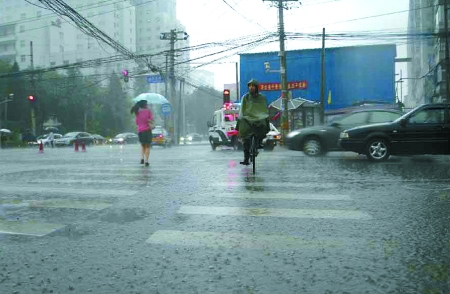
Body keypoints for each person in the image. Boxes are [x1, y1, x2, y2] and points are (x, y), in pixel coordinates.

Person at [237, 78, 270, 165]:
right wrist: (242, 117)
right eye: (250, 86)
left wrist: (263, 115)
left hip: (259, 117)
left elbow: (264, 109)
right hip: (247, 117)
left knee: (263, 123)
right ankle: (246, 159)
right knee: (245, 138)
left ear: (256, 87)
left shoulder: (262, 98)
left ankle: (259, 142)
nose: (251, 88)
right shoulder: (245, 97)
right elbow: (242, 110)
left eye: (253, 86)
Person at [130, 100, 154, 167]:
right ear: (145, 105)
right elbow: (151, 121)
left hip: (140, 131)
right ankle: (146, 161)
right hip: (147, 131)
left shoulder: (138, 113)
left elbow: (137, 122)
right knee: (148, 146)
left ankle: (142, 158)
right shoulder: (148, 112)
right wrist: (149, 121)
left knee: (143, 146)